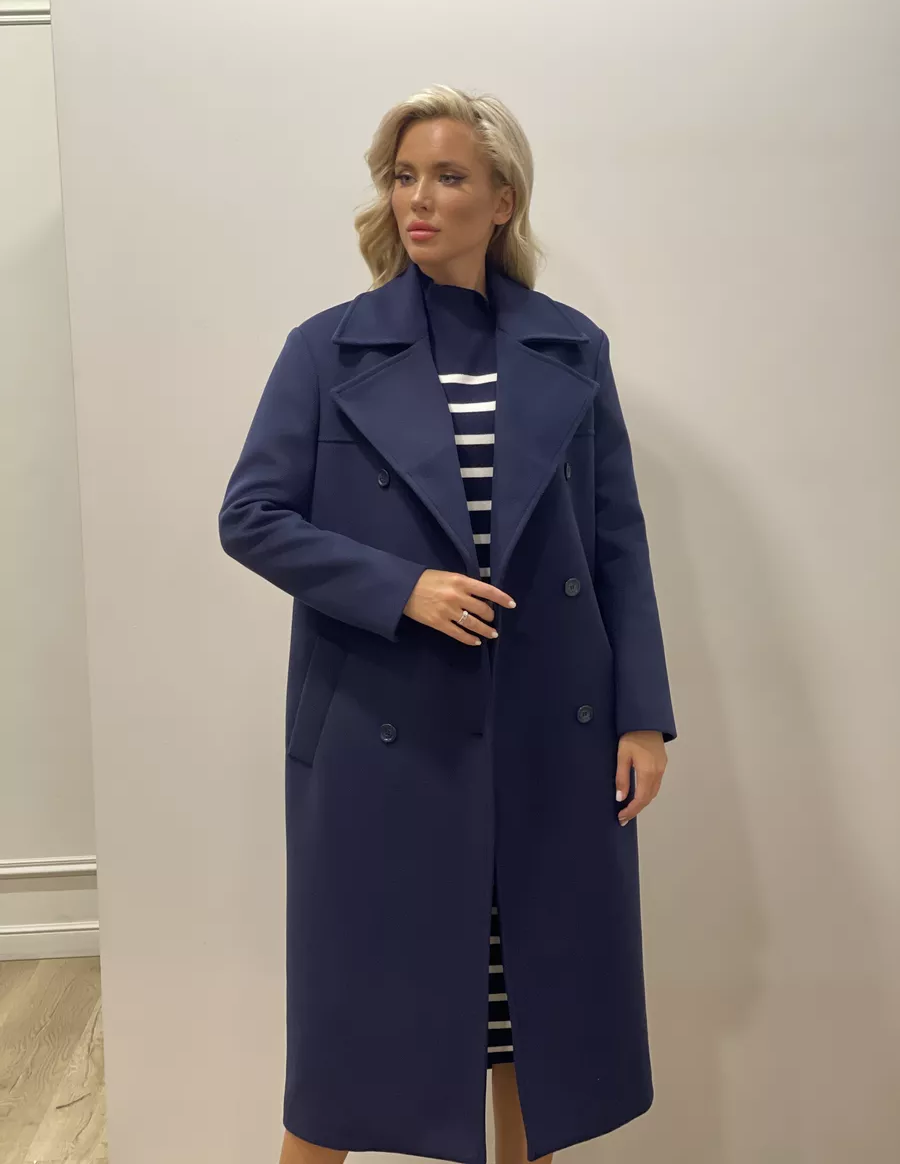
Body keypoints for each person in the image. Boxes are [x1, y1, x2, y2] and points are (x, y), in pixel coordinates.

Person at [218, 84, 677, 1164]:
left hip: (546, 729)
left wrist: (642, 716)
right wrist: (400, 588)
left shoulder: (572, 348)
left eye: (448, 177)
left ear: (503, 199)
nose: (418, 199)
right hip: (382, 723)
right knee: (348, 1034)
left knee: (533, 1022)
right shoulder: (326, 350)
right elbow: (251, 516)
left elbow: (616, 541)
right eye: (404, 176)